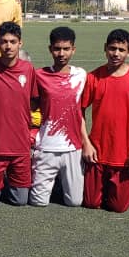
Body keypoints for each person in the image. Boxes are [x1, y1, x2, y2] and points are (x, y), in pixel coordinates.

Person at [81, 29, 129, 213]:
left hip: (125, 156)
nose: (116, 53)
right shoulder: (93, 77)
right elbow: (79, 111)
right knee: (91, 202)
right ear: (105, 48)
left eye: (121, 50)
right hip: (97, 154)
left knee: (118, 207)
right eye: (112, 48)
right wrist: (86, 144)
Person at [0, 22, 38, 207]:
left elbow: (35, 101)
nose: (8, 46)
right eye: (4, 41)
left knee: (20, 201)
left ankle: (3, 181)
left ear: (20, 43)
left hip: (20, 146)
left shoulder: (28, 69)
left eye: (13, 42)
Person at [29, 27, 89, 207]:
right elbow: (30, 108)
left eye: (66, 49)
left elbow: (81, 112)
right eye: (57, 49)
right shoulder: (39, 75)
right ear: (50, 49)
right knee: (38, 202)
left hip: (73, 148)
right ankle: (53, 181)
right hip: (46, 146)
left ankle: (57, 183)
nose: (61, 54)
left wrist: (86, 142)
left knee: (75, 202)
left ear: (73, 49)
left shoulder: (81, 75)